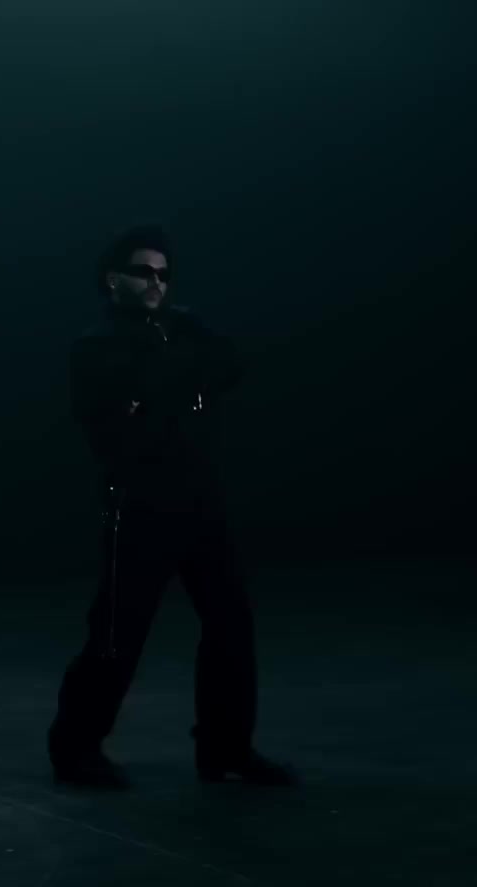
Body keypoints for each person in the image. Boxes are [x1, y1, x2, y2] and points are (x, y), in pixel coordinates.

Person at [48, 224, 295, 789]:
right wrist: (172, 373)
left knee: (231, 623)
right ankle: (74, 749)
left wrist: (166, 375)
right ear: (113, 279)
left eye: (163, 274)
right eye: (144, 272)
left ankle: (226, 749)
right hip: (139, 502)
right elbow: (138, 398)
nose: (157, 282)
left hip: (199, 498)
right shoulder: (94, 345)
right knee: (118, 631)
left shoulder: (182, 325)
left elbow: (230, 364)